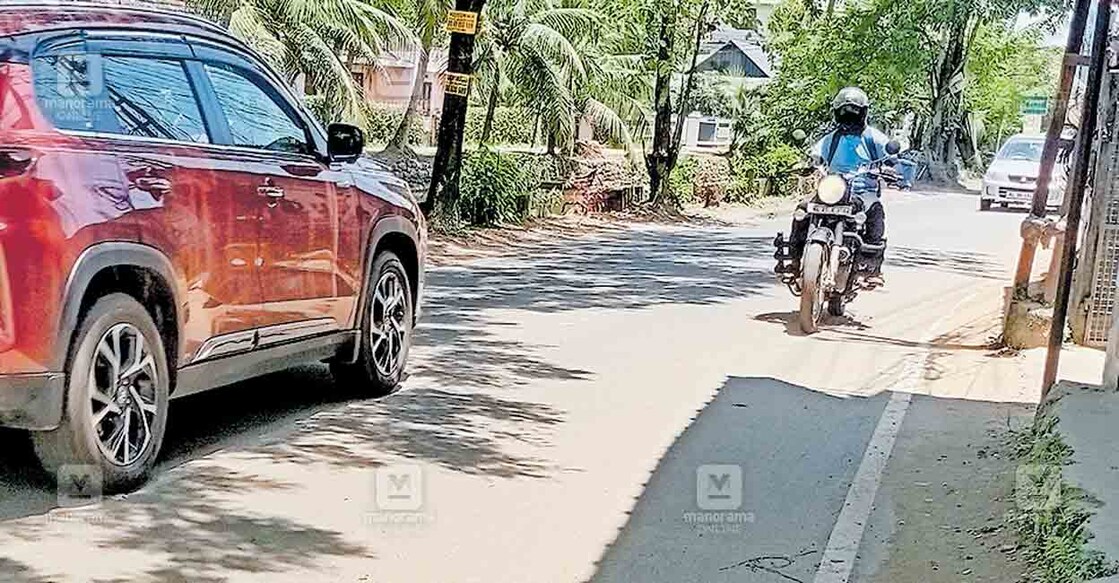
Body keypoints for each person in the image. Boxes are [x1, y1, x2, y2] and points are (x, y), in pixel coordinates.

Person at [788, 86, 892, 286]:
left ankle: (872, 266)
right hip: (833, 188)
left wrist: (890, 167)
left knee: (875, 212)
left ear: (862, 113)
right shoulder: (832, 138)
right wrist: (809, 162)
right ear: (837, 113)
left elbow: (891, 154)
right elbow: (815, 154)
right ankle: (793, 259)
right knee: (802, 210)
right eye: (844, 111)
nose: (849, 116)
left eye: (853, 111)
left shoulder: (873, 137)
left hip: (863, 190)